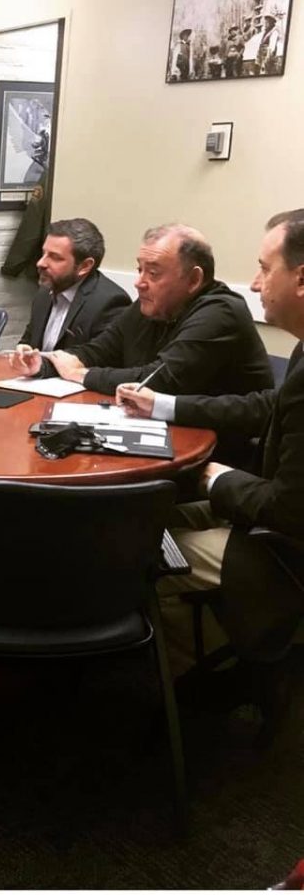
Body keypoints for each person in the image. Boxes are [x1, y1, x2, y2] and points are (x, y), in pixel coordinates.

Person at [116, 209, 304, 730]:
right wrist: (164, 406)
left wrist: (215, 478)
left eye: (264, 268)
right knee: (142, 523)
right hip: (265, 506)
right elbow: (265, 405)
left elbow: (289, 510)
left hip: (282, 546)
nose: (256, 283)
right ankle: (230, 658)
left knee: (145, 555)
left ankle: (208, 683)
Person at [10, 223, 273, 399]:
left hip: (217, 447)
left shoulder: (221, 312)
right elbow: (98, 351)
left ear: (194, 280)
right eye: (140, 270)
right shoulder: (150, 304)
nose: (139, 282)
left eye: (154, 273)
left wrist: (81, 374)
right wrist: (43, 365)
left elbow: (159, 379)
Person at [15, 218, 130, 376]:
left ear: (85, 266)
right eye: (43, 253)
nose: (41, 263)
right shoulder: (45, 291)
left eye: (55, 257)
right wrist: (24, 350)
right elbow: (29, 339)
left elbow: (97, 360)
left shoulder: (110, 302)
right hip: (35, 382)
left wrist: (42, 367)